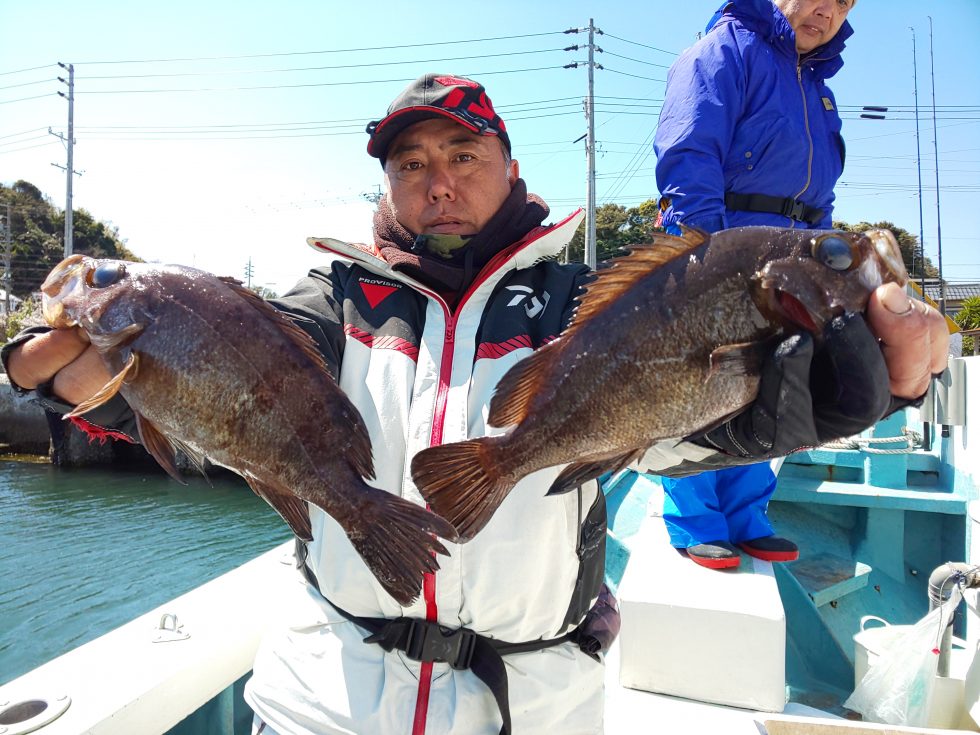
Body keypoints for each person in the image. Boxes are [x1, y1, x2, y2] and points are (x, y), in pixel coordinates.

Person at [3, 72, 948, 734]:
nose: (439, 181)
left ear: (509, 162)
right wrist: (98, 393)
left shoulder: (593, 302)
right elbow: (237, 419)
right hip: (320, 698)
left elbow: (665, 435)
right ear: (387, 183)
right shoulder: (322, 301)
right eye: (411, 164)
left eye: (463, 152)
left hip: (532, 706)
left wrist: (799, 407)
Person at [650, 0, 860, 569]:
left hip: (789, 265)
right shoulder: (722, 50)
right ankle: (694, 520)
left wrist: (827, 265)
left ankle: (747, 515)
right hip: (724, 248)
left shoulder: (819, 87)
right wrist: (704, 261)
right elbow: (689, 155)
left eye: (845, 1)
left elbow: (823, 192)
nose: (828, 10)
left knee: (771, 388)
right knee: (702, 383)